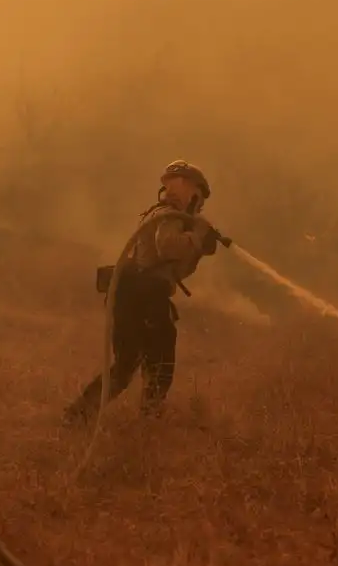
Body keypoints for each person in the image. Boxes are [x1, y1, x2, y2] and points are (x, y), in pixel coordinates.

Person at [64, 160, 224, 423]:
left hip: (133, 295)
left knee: (126, 365)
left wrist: (199, 246)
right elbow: (167, 248)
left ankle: (77, 416)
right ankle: (147, 422)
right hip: (145, 297)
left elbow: (172, 267)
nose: (200, 203)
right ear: (187, 187)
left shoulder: (163, 215)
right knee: (159, 365)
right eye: (199, 194)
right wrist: (197, 235)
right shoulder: (169, 215)